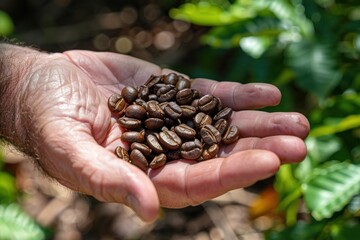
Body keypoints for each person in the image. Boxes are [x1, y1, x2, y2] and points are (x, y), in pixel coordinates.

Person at [0, 42, 309, 222]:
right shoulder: (148, 116)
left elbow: (176, 118)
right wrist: (19, 86)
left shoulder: (183, 118)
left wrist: (18, 80)